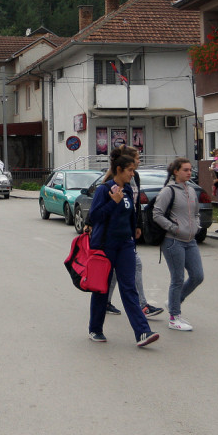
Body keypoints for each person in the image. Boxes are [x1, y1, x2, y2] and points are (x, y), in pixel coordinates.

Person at [84, 151, 159, 347]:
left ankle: (143, 332)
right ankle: (95, 329)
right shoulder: (105, 190)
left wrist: (135, 228)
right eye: (130, 170)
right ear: (119, 170)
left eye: (134, 170)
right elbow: (95, 216)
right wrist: (112, 203)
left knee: (129, 288)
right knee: (102, 289)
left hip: (125, 245)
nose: (133, 174)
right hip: (105, 246)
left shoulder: (126, 191)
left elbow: (130, 214)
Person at [104, 146, 164, 318]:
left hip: (128, 229)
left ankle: (105, 301)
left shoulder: (135, 177)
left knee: (116, 269)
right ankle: (142, 305)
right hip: (115, 232)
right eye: (137, 158)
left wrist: (137, 225)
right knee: (135, 264)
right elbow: (103, 210)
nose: (139, 161)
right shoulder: (111, 181)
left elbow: (135, 204)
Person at [153, 157, 204, 331]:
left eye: (190, 170)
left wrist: (196, 226)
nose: (189, 173)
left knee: (198, 276)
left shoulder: (191, 190)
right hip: (173, 241)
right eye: (185, 170)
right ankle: (174, 318)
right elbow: (157, 213)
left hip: (190, 241)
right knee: (178, 278)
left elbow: (196, 212)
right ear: (176, 172)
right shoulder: (169, 191)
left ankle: (174, 301)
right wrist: (173, 228)